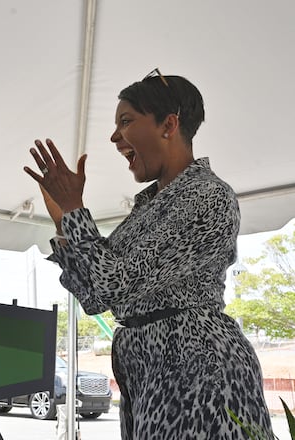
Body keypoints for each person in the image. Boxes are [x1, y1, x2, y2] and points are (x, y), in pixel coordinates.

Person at [23, 69, 274, 439]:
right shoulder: (149, 207)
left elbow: (113, 283)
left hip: (197, 369)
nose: (114, 137)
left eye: (125, 121)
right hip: (149, 371)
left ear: (168, 125)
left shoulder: (208, 195)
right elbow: (94, 295)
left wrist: (76, 209)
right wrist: (64, 219)